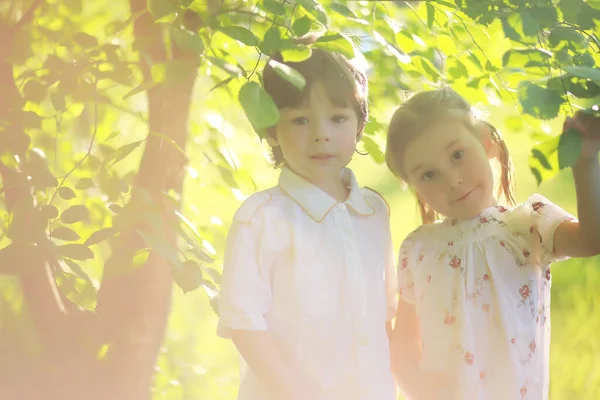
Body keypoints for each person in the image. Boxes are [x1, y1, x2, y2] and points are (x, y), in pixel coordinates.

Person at [384, 87, 600, 399]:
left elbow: (591, 239)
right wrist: (419, 387)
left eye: (457, 155)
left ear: (487, 142)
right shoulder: (418, 248)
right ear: (415, 187)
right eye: (430, 174)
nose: (452, 180)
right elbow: (404, 342)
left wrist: (584, 164)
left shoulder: (529, 224)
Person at [217, 33, 397, 400]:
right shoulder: (261, 219)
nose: (321, 135)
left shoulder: (374, 212)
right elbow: (244, 324)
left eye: (337, 118)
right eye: (300, 120)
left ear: (359, 126)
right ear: (271, 131)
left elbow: (383, 313)